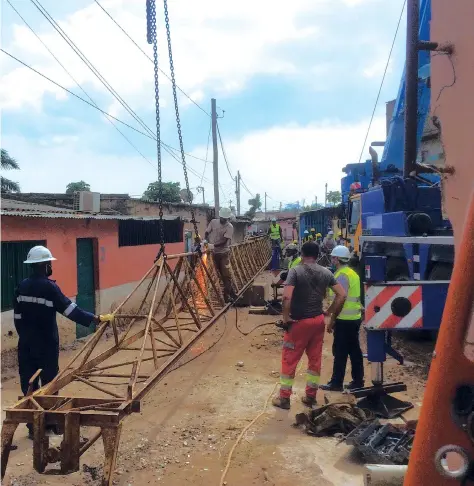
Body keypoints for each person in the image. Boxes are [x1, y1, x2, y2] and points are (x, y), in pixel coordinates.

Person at [14, 246, 102, 438]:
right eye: (49, 263)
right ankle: (52, 422)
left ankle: (33, 427)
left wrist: (26, 336)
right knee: (50, 383)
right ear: (45, 265)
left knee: (29, 384)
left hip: (26, 344)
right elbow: (70, 311)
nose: (50, 266)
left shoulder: (22, 286)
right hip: (46, 344)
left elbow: (17, 317)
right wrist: (94, 319)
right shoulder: (50, 287)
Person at [272, 242, 346, 409]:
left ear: (302, 253)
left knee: (290, 359)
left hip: (298, 323)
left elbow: (287, 297)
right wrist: (329, 313)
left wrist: (285, 318)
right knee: (314, 360)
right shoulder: (326, 272)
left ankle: (284, 398)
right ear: (318, 254)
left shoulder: (295, 271)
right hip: (317, 321)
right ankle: (310, 396)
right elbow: (342, 295)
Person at [320, 245, 364, 392]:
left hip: (344, 320)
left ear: (337, 259)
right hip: (354, 318)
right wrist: (329, 311)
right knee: (354, 351)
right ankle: (358, 381)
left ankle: (336, 383)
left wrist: (332, 319)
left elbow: (341, 298)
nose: (332, 260)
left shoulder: (341, 275)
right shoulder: (352, 273)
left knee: (340, 352)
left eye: (333, 257)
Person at [204, 207, 236, 303]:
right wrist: (206, 240)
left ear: (228, 218)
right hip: (214, 254)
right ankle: (231, 293)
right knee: (215, 275)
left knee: (226, 276)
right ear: (220, 216)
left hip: (223, 253)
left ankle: (227, 297)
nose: (223, 220)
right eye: (222, 218)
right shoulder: (213, 222)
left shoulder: (229, 227)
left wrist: (212, 245)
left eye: (225, 218)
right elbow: (207, 232)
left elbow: (224, 241)